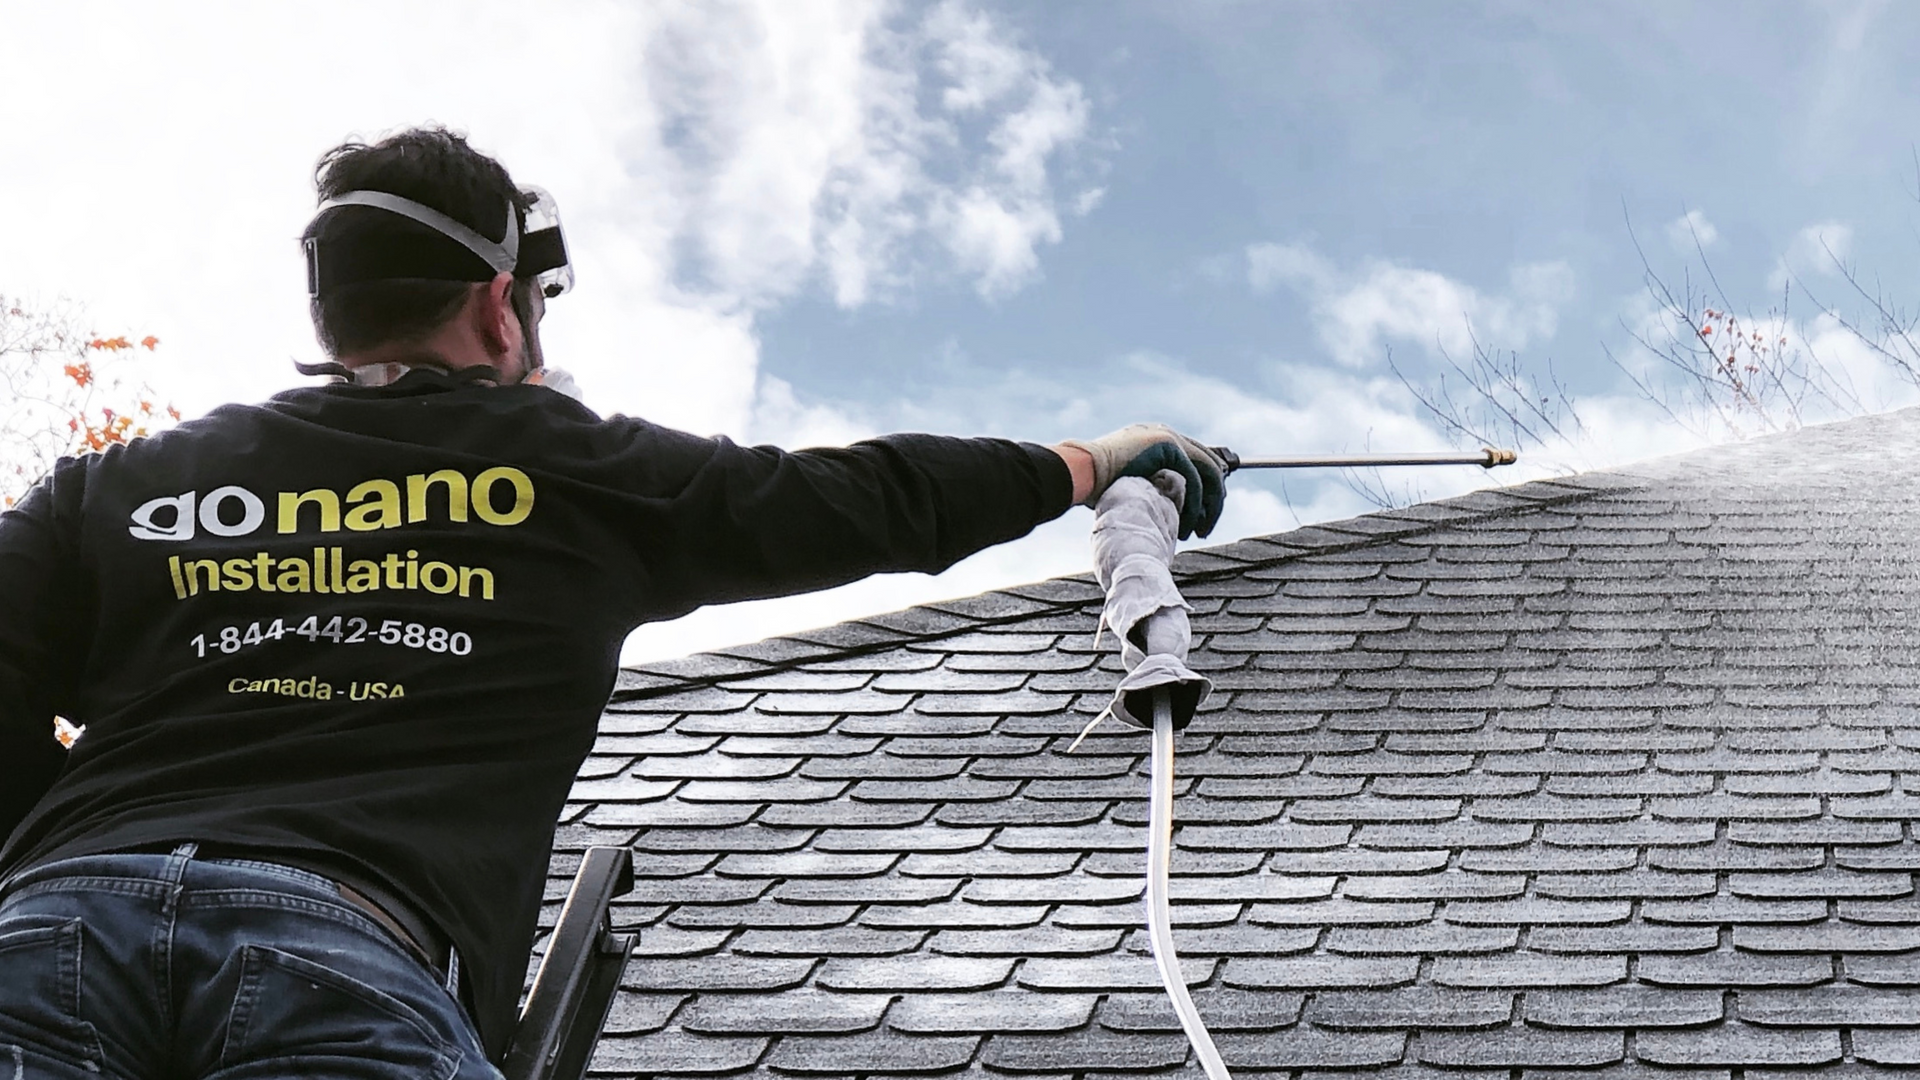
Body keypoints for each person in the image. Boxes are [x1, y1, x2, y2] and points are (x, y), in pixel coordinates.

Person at [0, 126, 1227, 1079]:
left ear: (330, 312)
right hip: (345, 953)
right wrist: (1095, 461)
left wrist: (48, 856)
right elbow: (859, 500)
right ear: (498, 305)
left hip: (43, 926)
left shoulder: (120, 487)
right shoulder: (572, 469)